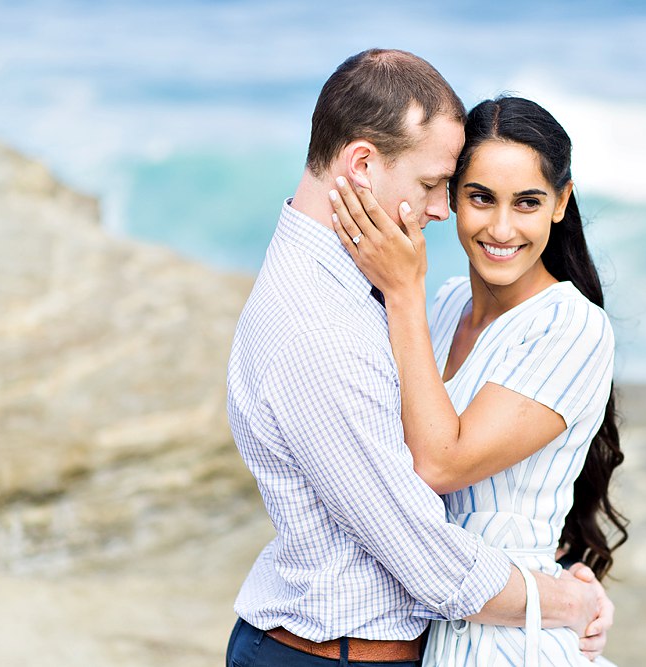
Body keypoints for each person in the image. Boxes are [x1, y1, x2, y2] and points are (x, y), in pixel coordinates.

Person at [225, 50, 614, 667]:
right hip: (353, 647)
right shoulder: (355, 316)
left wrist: (563, 582)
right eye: (458, 192)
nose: (439, 210)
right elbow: (424, 514)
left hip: (484, 637)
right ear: (361, 164)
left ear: (561, 203)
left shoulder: (555, 326)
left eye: (529, 202)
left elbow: (483, 493)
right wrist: (561, 601)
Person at [328, 95, 628, 665]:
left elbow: (439, 465)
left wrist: (401, 291)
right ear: (451, 197)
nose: (501, 227)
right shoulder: (443, 306)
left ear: (561, 203)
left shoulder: (571, 328)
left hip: (512, 641)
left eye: (528, 203)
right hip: (432, 628)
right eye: (481, 198)